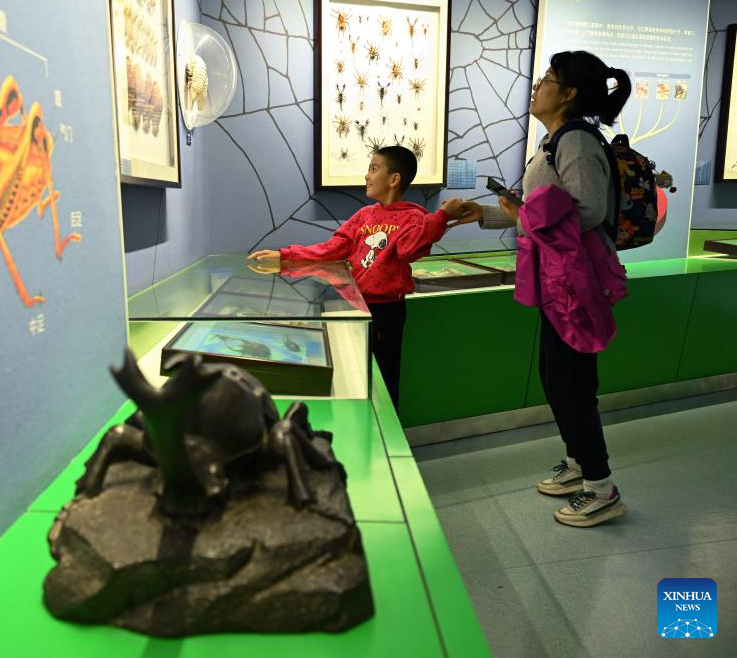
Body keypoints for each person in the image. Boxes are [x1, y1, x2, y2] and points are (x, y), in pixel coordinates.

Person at [454, 50, 632, 527]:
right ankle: (578, 463)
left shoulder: (576, 142)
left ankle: (601, 487)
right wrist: (487, 214)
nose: (537, 86)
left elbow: (587, 210)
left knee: (571, 383)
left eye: (548, 78)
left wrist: (519, 214)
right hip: (557, 279)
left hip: (576, 282)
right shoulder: (555, 141)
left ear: (569, 94)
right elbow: (540, 211)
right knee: (556, 376)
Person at [248, 145, 471, 410]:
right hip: (355, 305)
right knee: (354, 371)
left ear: (394, 179)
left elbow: (411, 248)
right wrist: (285, 255)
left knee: (383, 375)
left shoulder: (413, 217)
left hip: (387, 311)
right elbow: (331, 249)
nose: (367, 175)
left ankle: (384, 424)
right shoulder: (365, 215)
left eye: (373, 169)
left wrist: (442, 216)